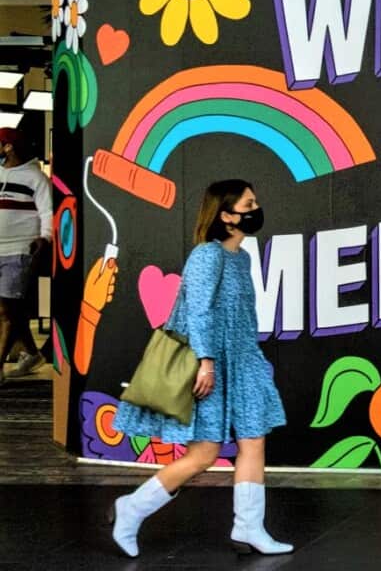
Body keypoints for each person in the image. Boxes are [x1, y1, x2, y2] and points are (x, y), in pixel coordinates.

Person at [109, 180, 290, 558]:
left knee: (254, 439)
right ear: (226, 216)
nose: (256, 209)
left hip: (241, 361)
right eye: (249, 203)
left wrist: (252, 359)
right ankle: (131, 509)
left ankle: (249, 528)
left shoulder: (241, 257)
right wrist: (206, 363)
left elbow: (239, 315)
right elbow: (199, 311)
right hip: (209, 363)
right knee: (204, 455)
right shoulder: (208, 256)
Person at [0, 128, 51, 384]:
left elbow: (47, 211)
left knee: (6, 309)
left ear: (8, 147)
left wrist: (45, 237)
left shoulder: (35, 177)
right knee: (12, 310)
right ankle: (32, 353)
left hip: (19, 250)